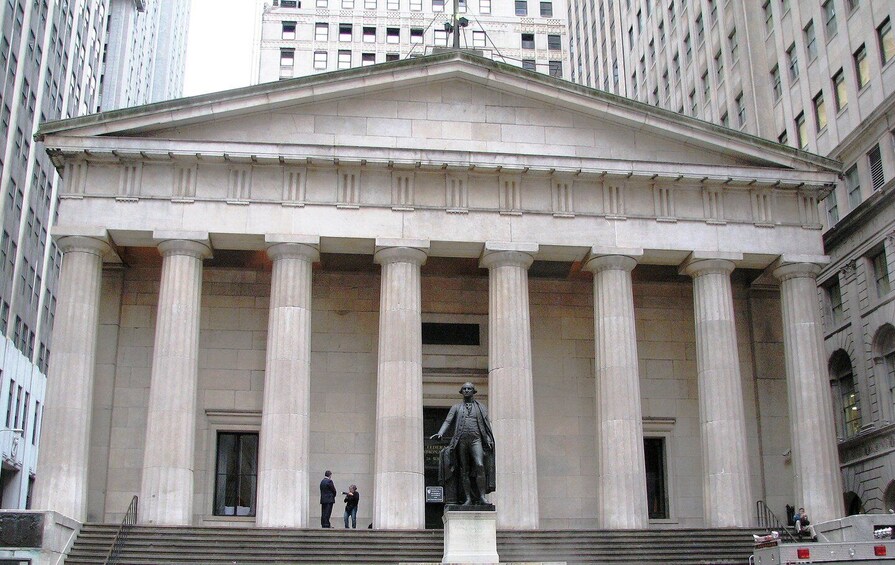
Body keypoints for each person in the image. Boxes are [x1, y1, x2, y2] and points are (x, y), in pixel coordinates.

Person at [430, 382, 495, 506]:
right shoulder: (456, 407)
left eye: (469, 389)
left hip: (476, 440)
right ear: (461, 392)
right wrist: (440, 433)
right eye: (464, 389)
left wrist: (488, 438)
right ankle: (468, 498)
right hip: (461, 441)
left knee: (480, 465)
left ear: (473, 391)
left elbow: (486, 425)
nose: (466, 390)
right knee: (464, 470)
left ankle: (482, 497)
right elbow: (448, 421)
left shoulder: (481, 408)